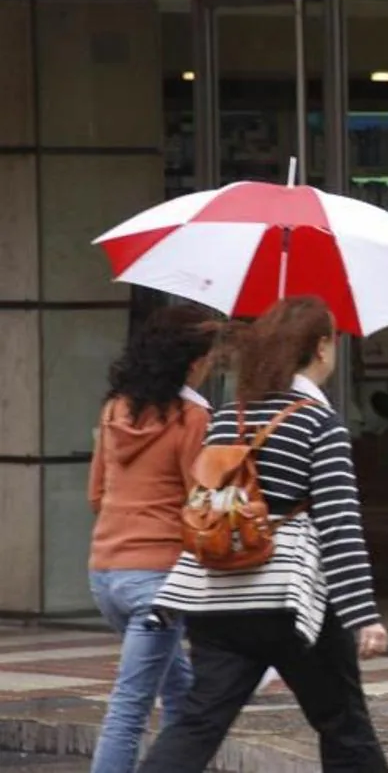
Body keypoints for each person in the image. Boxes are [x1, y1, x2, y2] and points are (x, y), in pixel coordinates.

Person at [138, 296, 388, 773]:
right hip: (292, 606)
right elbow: (339, 525)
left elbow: (206, 503)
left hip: (217, 601)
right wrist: (363, 614)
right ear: (321, 348)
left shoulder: (226, 419)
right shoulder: (320, 424)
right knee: (344, 726)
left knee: (196, 723)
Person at [87, 304, 219, 773]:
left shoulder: (114, 409)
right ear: (192, 362)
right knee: (129, 709)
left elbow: (96, 493)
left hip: (105, 575)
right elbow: (201, 502)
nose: (210, 368)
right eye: (208, 359)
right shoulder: (193, 419)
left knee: (183, 697)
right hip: (159, 583)